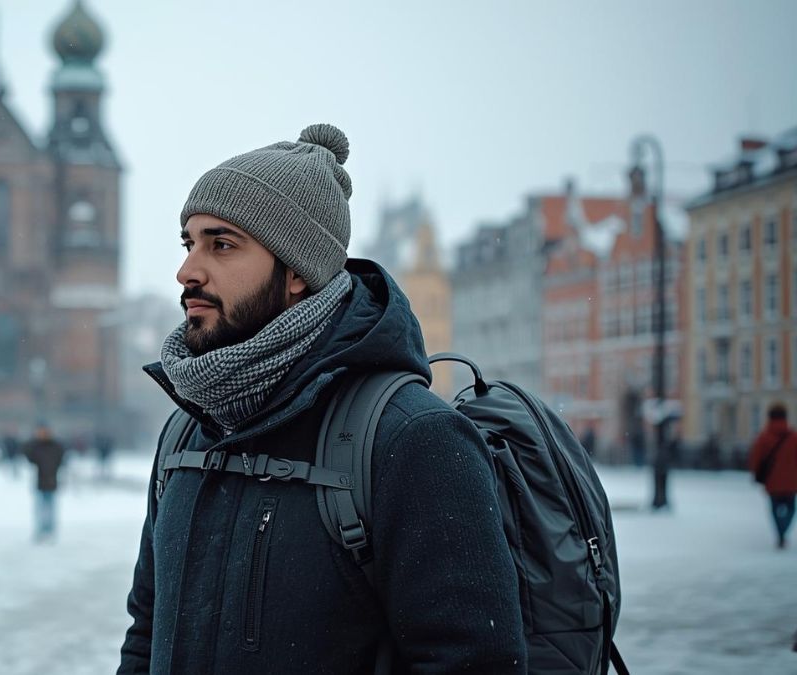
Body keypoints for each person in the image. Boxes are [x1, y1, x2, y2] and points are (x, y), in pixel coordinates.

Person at [119, 124, 525, 674]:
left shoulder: (411, 436)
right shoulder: (187, 428)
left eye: (222, 244)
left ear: (297, 272)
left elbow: (472, 663)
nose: (187, 270)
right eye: (189, 243)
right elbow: (146, 634)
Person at [747, 402, 797, 549]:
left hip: (772, 481)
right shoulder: (794, 437)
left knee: (775, 509)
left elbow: (756, 458)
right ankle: (784, 530)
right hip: (792, 481)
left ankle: (780, 533)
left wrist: (756, 474)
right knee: (791, 508)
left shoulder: (764, 437)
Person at [23, 422, 65, 543]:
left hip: (52, 480)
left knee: (51, 508)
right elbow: (28, 455)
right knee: (39, 508)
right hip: (39, 481)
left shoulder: (55, 446)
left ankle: (50, 531)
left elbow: (61, 458)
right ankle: (40, 530)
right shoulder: (36, 445)